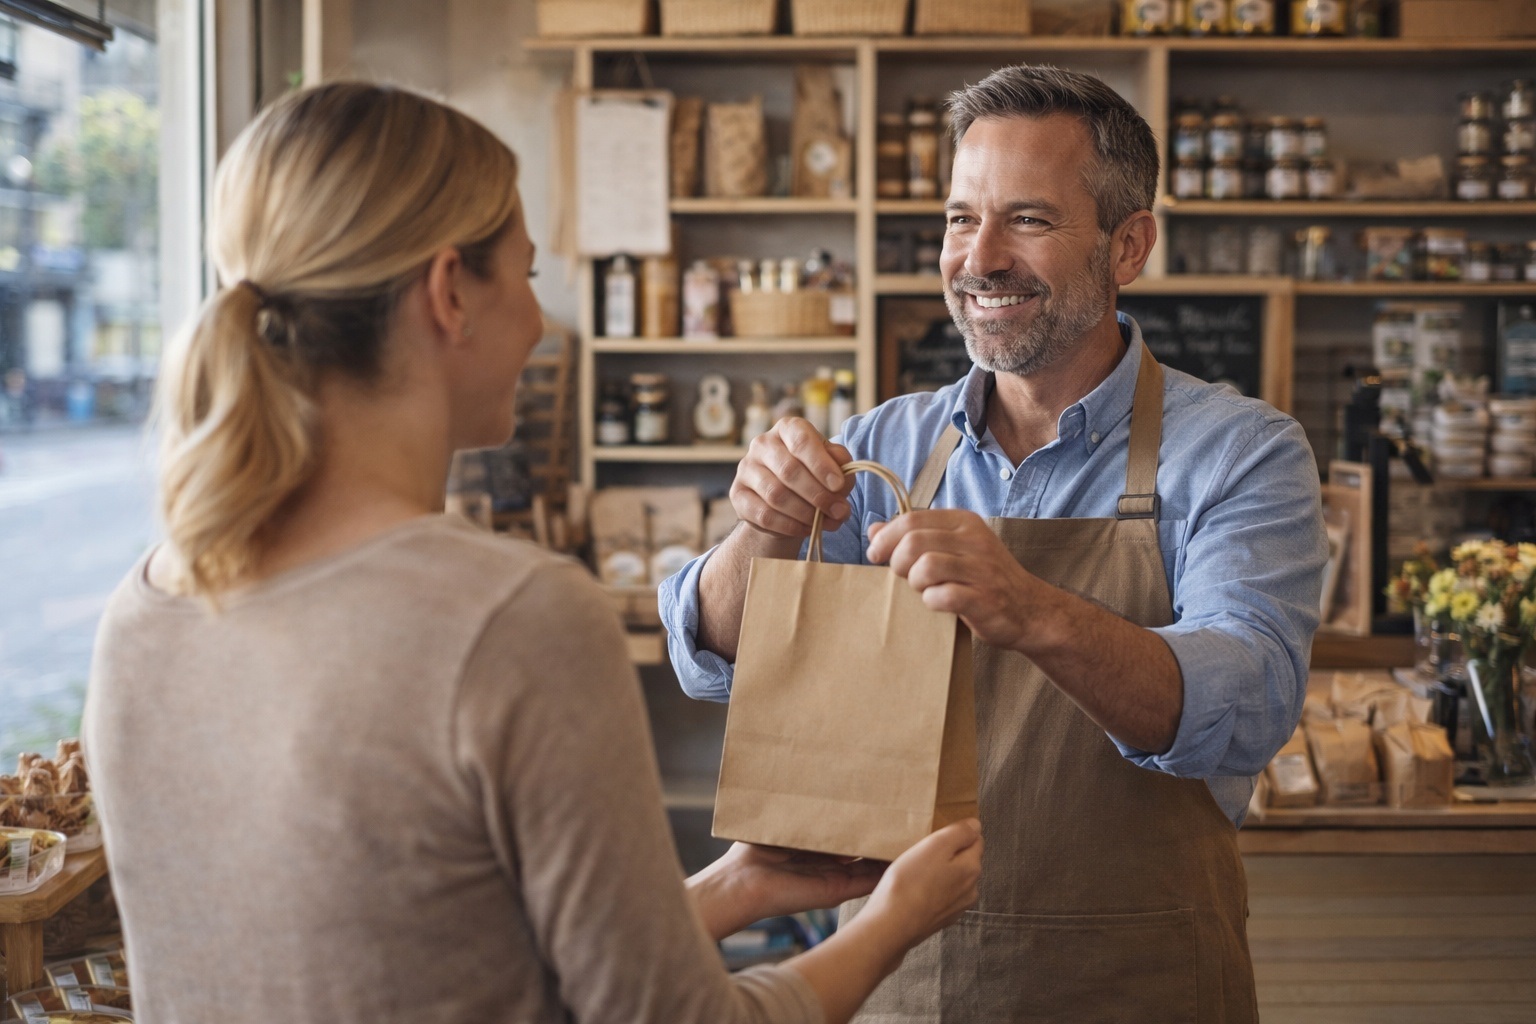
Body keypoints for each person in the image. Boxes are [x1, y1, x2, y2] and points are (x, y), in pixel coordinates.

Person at [82, 82, 983, 1024]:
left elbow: (427, 963)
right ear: (448, 295)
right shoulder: (513, 618)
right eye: (525, 275)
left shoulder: (141, 614)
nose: (533, 321)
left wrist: (735, 888)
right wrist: (890, 922)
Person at [661, 64, 1328, 1022]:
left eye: (1029, 219)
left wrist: (1032, 609)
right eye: (960, 218)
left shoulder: (1239, 451)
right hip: (903, 983)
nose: (981, 257)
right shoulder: (888, 445)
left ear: (1129, 244)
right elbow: (718, 659)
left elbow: (1250, 700)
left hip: (1141, 984)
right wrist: (757, 533)